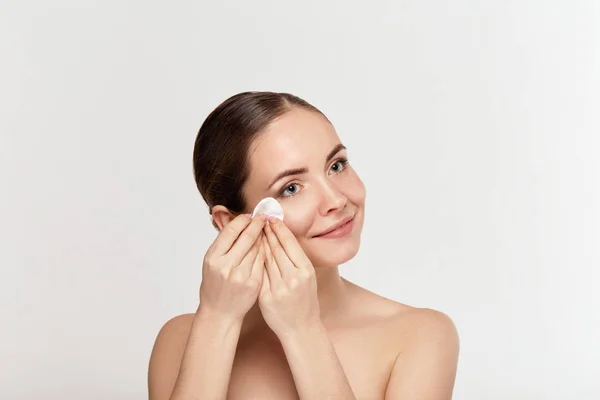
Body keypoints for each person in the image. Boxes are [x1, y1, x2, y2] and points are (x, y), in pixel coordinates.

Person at [148, 91, 459, 400]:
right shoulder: (182, 340)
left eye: (337, 165)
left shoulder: (419, 336)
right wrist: (218, 319)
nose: (337, 200)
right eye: (291, 188)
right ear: (231, 222)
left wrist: (302, 329)